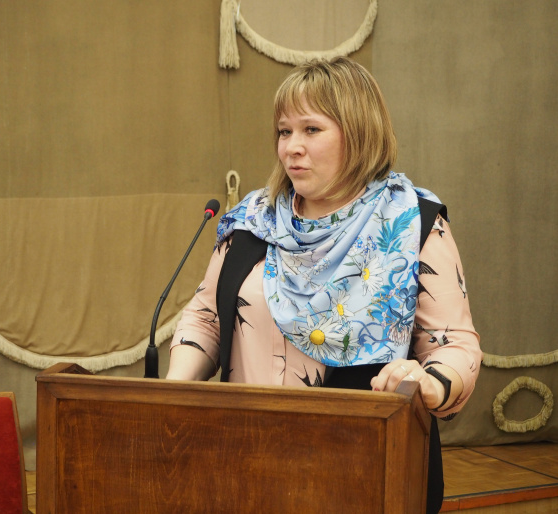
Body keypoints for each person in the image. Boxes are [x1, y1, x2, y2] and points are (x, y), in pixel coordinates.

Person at [166, 57, 481, 513]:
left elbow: (455, 346)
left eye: (311, 129)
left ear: (359, 133)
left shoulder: (412, 224)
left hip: (358, 472)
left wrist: (426, 384)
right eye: (284, 131)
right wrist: (171, 395)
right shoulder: (252, 221)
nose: (291, 148)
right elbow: (206, 319)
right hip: (240, 463)